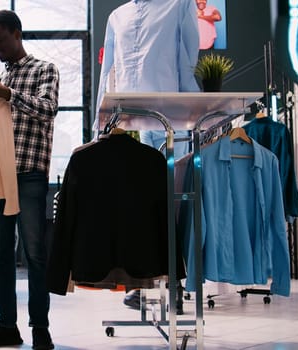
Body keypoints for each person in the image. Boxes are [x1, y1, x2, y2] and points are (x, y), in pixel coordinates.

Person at [96, 0, 200, 314]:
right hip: (137, 118)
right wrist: (100, 121)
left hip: (175, 115)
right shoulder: (117, 15)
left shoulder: (179, 4)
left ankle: (177, 284)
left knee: (177, 201)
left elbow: (187, 58)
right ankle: (150, 281)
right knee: (148, 202)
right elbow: (108, 71)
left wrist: (190, 110)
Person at [0, 10, 59, 350]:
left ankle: (40, 328)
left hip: (30, 174)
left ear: (17, 34)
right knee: (0, 254)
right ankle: (6, 325)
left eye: (1, 41)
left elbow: (48, 108)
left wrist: (7, 95)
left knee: (35, 253)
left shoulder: (44, 70)